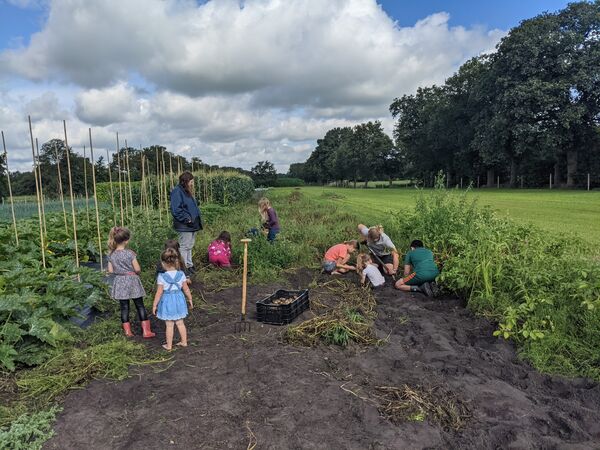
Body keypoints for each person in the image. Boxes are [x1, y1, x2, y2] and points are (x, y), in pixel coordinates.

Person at [107, 226, 155, 338]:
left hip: (120, 280)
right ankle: (146, 331)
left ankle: (128, 332)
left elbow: (110, 271)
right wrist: (134, 272)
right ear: (126, 240)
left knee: (124, 307)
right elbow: (137, 269)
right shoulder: (130, 253)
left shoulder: (111, 255)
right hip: (132, 280)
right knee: (140, 305)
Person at [152, 248, 194, 351]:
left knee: (169, 325)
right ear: (176, 261)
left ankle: (169, 345)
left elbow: (159, 292)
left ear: (163, 263)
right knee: (180, 322)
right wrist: (190, 299)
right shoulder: (181, 274)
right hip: (179, 299)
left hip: (167, 301)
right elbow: (186, 289)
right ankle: (184, 342)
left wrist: (154, 305)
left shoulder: (162, 276)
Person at [170, 171, 202, 274]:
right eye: (191, 181)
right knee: (184, 246)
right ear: (186, 181)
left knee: (190, 245)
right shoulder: (177, 191)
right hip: (185, 224)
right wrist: (186, 219)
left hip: (191, 224)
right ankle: (183, 268)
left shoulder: (186, 191)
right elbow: (176, 209)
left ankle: (189, 264)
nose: (192, 184)